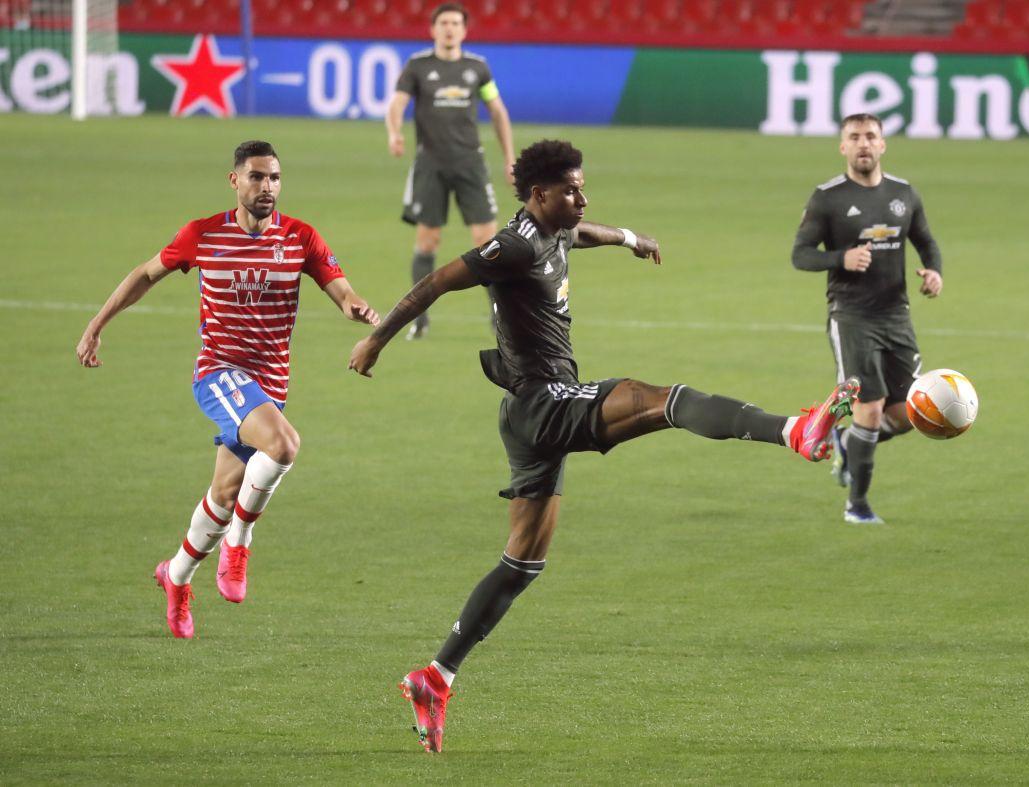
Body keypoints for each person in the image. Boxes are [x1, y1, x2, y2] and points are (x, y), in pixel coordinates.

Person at [348, 139, 860, 753]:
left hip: (529, 412)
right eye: (571, 190)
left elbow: (578, 232)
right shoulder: (510, 246)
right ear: (539, 195)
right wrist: (375, 341)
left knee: (522, 564)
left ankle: (435, 676)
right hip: (543, 404)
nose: (581, 198)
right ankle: (793, 431)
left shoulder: (555, 225)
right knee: (662, 398)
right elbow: (434, 282)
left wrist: (626, 237)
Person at [75, 140, 379, 639]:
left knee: (223, 492)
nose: (267, 187)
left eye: (275, 178)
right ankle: (239, 543)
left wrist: (356, 307)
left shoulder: (300, 237)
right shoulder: (203, 234)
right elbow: (145, 274)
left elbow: (339, 287)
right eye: (257, 177)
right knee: (284, 445)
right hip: (219, 374)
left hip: (270, 384)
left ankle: (175, 578)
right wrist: (97, 323)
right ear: (234, 181)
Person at [791, 113, 944, 525]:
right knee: (871, 408)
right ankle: (856, 506)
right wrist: (841, 257)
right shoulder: (828, 198)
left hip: (897, 316)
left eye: (870, 136)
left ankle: (846, 442)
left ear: (882, 144)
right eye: (854, 137)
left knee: (914, 411)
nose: (863, 143)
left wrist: (934, 273)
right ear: (843, 146)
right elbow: (800, 254)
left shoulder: (904, 194)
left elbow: (927, 242)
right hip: (851, 317)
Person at [386, 1, 516, 340]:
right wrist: (395, 131)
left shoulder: (477, 68)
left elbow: (498, 110)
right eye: (443, 23)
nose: (449, 28)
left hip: (471, 163)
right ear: (433, 29)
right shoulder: (417, 66)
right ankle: (419, 318)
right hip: (430, 165)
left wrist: (509, 157)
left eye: (455, 23)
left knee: (487, 241)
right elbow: (398, 103)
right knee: (428, 241)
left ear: (464, 29)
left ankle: (500, 316)